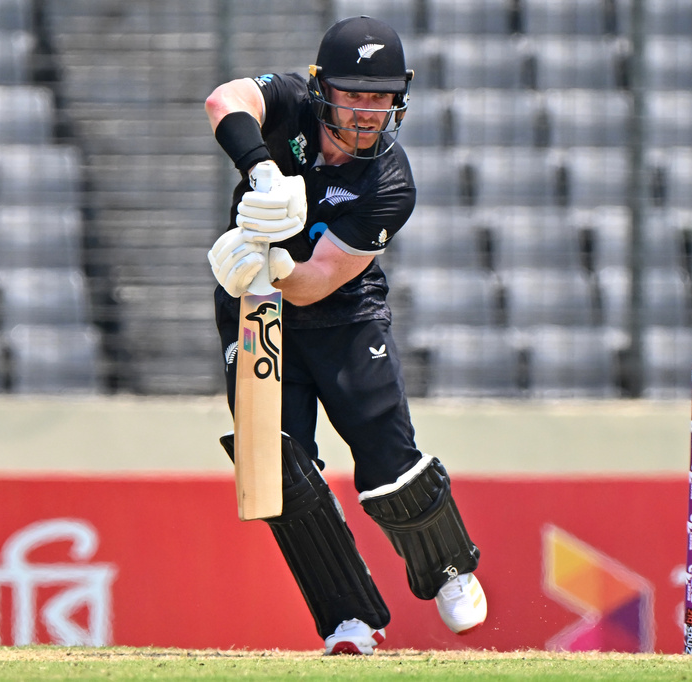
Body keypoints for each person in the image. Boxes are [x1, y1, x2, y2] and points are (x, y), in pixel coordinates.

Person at [203, 15, 487, 655]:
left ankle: (448, 567)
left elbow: (315, 282)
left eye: (381, 96)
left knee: (383, 453)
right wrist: (262, 172)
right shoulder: (291, 104)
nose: (367, 111)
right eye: (354, 94)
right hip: (254, 307)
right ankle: (349, 621)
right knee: (276, 464)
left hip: (341, 309)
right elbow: (226, 99)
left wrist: (272, 265)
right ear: (321, 86)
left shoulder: (391, 182)